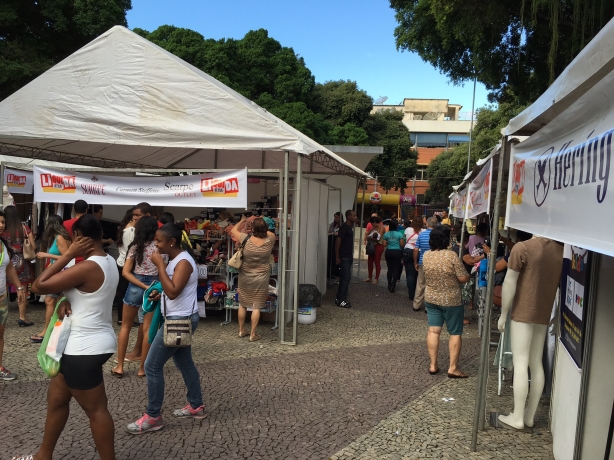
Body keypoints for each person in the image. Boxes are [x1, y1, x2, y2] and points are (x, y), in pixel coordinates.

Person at [27, 215, 119, 459]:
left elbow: (38, 285)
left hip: (82, 349)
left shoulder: (86, 267)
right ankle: (43, 455)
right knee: (56, 400)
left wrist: (67, 256)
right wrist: (65, 300)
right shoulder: (108, 261)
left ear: (79, 238)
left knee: (97, 410)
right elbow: (89, 296)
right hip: (91, 342)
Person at [127, 223, 204, 434]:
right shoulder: (176, 261)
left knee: (151, 366)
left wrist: (160, 266)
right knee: (184, 362)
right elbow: (170, 291)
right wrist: (158, 294)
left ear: (172, 242)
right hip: (179, 318)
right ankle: (196, 405)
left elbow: (174, 292)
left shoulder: (183, 262)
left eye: (159, 241)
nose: (156, 245)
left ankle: (153, 417)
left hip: (179, 321)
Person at [112, 216, 161, 378]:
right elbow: (164, 271)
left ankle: (119, 366)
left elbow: (125, 272)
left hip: (135, 286)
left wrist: (141, 285)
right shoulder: (159, 249)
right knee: (148, 329)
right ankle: (142, 369)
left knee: (125, 326)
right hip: (153, 288)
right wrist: (149, 287)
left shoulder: (135, 247)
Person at [422, 225, 470, 378]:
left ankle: (433, 365)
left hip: (431, 297)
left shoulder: (427, 255)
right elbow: (463, 278)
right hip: (451, 300)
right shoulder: (451, 256)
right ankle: (453, 368)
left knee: (433, 331)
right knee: (455, 332)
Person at [230, 216, 275, 341]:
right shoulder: (270, 239)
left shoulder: (246, 239)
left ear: (252, 228)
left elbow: (233, 230)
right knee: (256, 306)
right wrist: (262, 228)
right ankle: (253, 334)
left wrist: (242, 221)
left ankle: (241, 330)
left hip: (245, 275)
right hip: (261, 277)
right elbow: (270, 232)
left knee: (243, 304)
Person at [31, 215, 72, 343]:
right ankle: (53, 330)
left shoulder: (59, 238)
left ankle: (46, 331)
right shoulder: (59, 237)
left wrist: (46, 254)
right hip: (58, 273)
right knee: (55, 301)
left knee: (49, 300)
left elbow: (67, 257)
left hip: (59, 274)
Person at [0, 211, 27, 380]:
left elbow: (9, 268)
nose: (1, 225)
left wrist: (19, 287)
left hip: (2, 298)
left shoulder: (3, 244)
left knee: (0, 335)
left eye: (3, 222)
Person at [2, 205, 35, 326]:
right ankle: (22, 317)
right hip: (21, 262)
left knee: (3, 288)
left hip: (6, 260)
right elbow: (33, 246)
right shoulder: (24, 228)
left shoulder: (3, 230)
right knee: (21, 289)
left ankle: (3, 315)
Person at [113, 208, 136, 326]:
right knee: (125, 292)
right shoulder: (131, 231)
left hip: (120, 262)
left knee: (121, 291)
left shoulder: (123, 228)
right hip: (127, 264)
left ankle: (121, 318)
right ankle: (123, 319)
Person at [413, 217, 437, 311]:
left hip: (423, 261)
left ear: (427, 224)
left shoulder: (421, 235)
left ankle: (416, 305)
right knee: (430, 285)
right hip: (434, 262)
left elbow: (415, 250)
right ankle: (428, 307)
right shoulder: (437, 236)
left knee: (420, 283)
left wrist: (415, 262)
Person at [335, 210, 357, 309]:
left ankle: (339, 298)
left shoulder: (349, 227)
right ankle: (341, 299)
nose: (356, 217)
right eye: (354, 215)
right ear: (348, 217)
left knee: (344, 278)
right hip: (344, 257)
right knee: (346, 278)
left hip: (348, 256)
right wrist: (337, 257)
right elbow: (338, 241)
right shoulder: (344, 227)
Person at [382, 219, 405, 293]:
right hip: (397, 252)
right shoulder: (399, 234)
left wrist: (390, 242)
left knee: (390, 269)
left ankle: (389, 284)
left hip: (388, 251)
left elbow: (384, 244)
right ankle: (393, 285)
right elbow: (402, 245)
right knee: (396, 269)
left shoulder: (386, 234)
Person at [403, 219, 422, 302]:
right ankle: (418, 294)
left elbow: (404, 238)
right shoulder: (424, 231)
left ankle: (411, 294)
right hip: (419, 252)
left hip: (408, 251)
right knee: (418, 274)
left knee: (410, 274)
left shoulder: (407, 229)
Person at [364, 216, 385, 284]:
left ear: (375, 222)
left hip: (378, 246)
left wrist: (370, 237)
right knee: (370, 261)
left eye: (372, 223)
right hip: (373, 246)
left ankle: (376, 278)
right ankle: (369, 277)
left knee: (377, 261)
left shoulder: (382, 228)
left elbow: (378, 238)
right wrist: (370, 237)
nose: (371, 224)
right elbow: (367, 235)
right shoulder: (373, 228)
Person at [327, 212, 342, 281]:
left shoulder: (341, 225)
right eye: (335, 217)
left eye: (337, 217)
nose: (335, 219)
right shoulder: (333, 224)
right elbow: (329, 231)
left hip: (337, 243)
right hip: (331, 242)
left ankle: (336, 273)